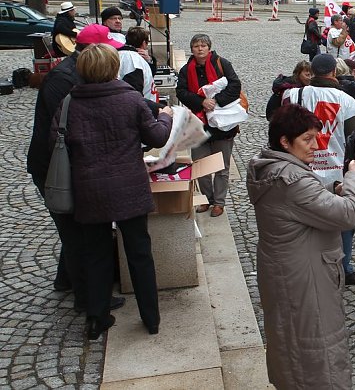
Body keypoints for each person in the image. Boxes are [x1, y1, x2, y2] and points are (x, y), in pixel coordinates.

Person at [246, 103, 355, 389]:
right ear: (285, 142)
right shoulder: (291, 179)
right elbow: (347, 214)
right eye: (307, 139)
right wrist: (354, 177)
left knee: (291, 346)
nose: (316, 145)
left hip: (289, 274)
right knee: (316, 353)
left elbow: (299, 205)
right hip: (305, 282)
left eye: (316, 136)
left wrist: (329, 190)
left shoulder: (272, 168)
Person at [56, 43, 173, 339]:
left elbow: (57, 145)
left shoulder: (69, 103)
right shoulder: (130, 99)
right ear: (113, 68)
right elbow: (157, 137)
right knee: (139, 254)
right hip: (128, 187)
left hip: (90, 190)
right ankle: (151, 318)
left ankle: (96, 317)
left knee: (95, 255)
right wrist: (166, 116)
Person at [27, 25, 126, 311]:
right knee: (76, 234)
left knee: (75, 229)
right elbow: (76, 130)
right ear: (93, 51)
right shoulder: (64, 80)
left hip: (70, 165)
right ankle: (89, 301)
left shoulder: (79, 73)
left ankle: (66, 280)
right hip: (56, 169)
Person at [283, 53, 355, 285]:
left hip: (300, 168)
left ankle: (306, 265)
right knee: (343, 222)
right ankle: (344, 267)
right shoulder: (347, 101)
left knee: (303, 220)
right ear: (334, 72)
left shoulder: (292, 95)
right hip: (335, 170)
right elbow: (354, 137)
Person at [176, 34, 242, 218]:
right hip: (198, 124)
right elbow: (181, 91)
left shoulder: (222, 64)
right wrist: (201, 101)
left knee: (222, 167)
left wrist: (216, 101)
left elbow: (235, 85)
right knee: (200, 165)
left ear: (209, 48)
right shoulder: (185, 70)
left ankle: (219, 203)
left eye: (203, 45)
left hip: (223, 124)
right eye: (196, 46)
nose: (200, 49)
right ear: (192, 49)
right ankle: (206, 199)